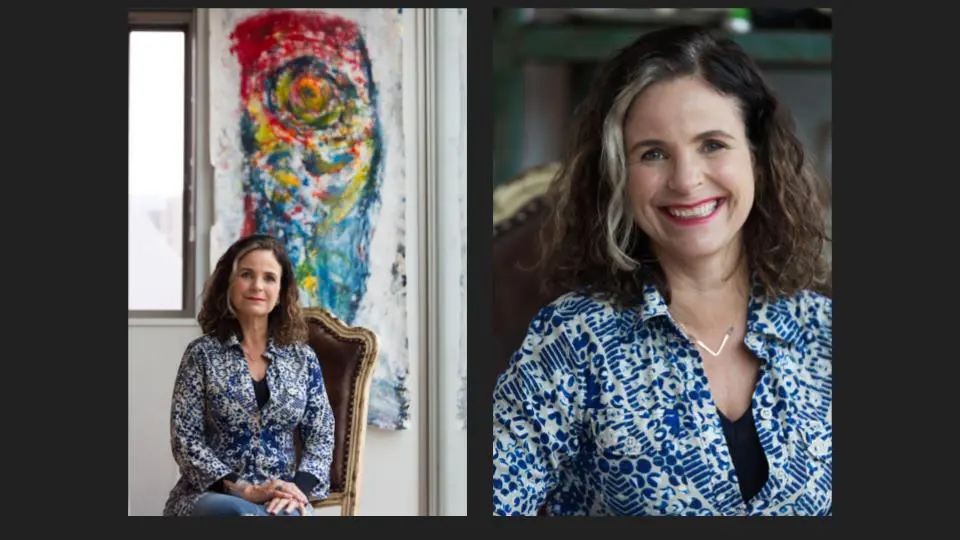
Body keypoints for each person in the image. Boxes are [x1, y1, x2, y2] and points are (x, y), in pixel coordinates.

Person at [492, 25, 832, 517]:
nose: (687, 179)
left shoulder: (823, 333)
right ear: (619, 177)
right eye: (653, 153)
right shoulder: (574, 340)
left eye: (712, 144)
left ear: (756, 159)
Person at [163, 234, 335, 516]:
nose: (257, 285)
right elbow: (186, 441)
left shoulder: (303, 359)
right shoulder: (201, 355)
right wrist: (242, 489)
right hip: (212, 494)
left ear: (281, 291)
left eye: (269, 278)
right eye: (246, 275)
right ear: (228, 285)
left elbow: (321, 435)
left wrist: (298, 490)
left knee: (288, 516)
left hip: (282, 496)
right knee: (242, 515)